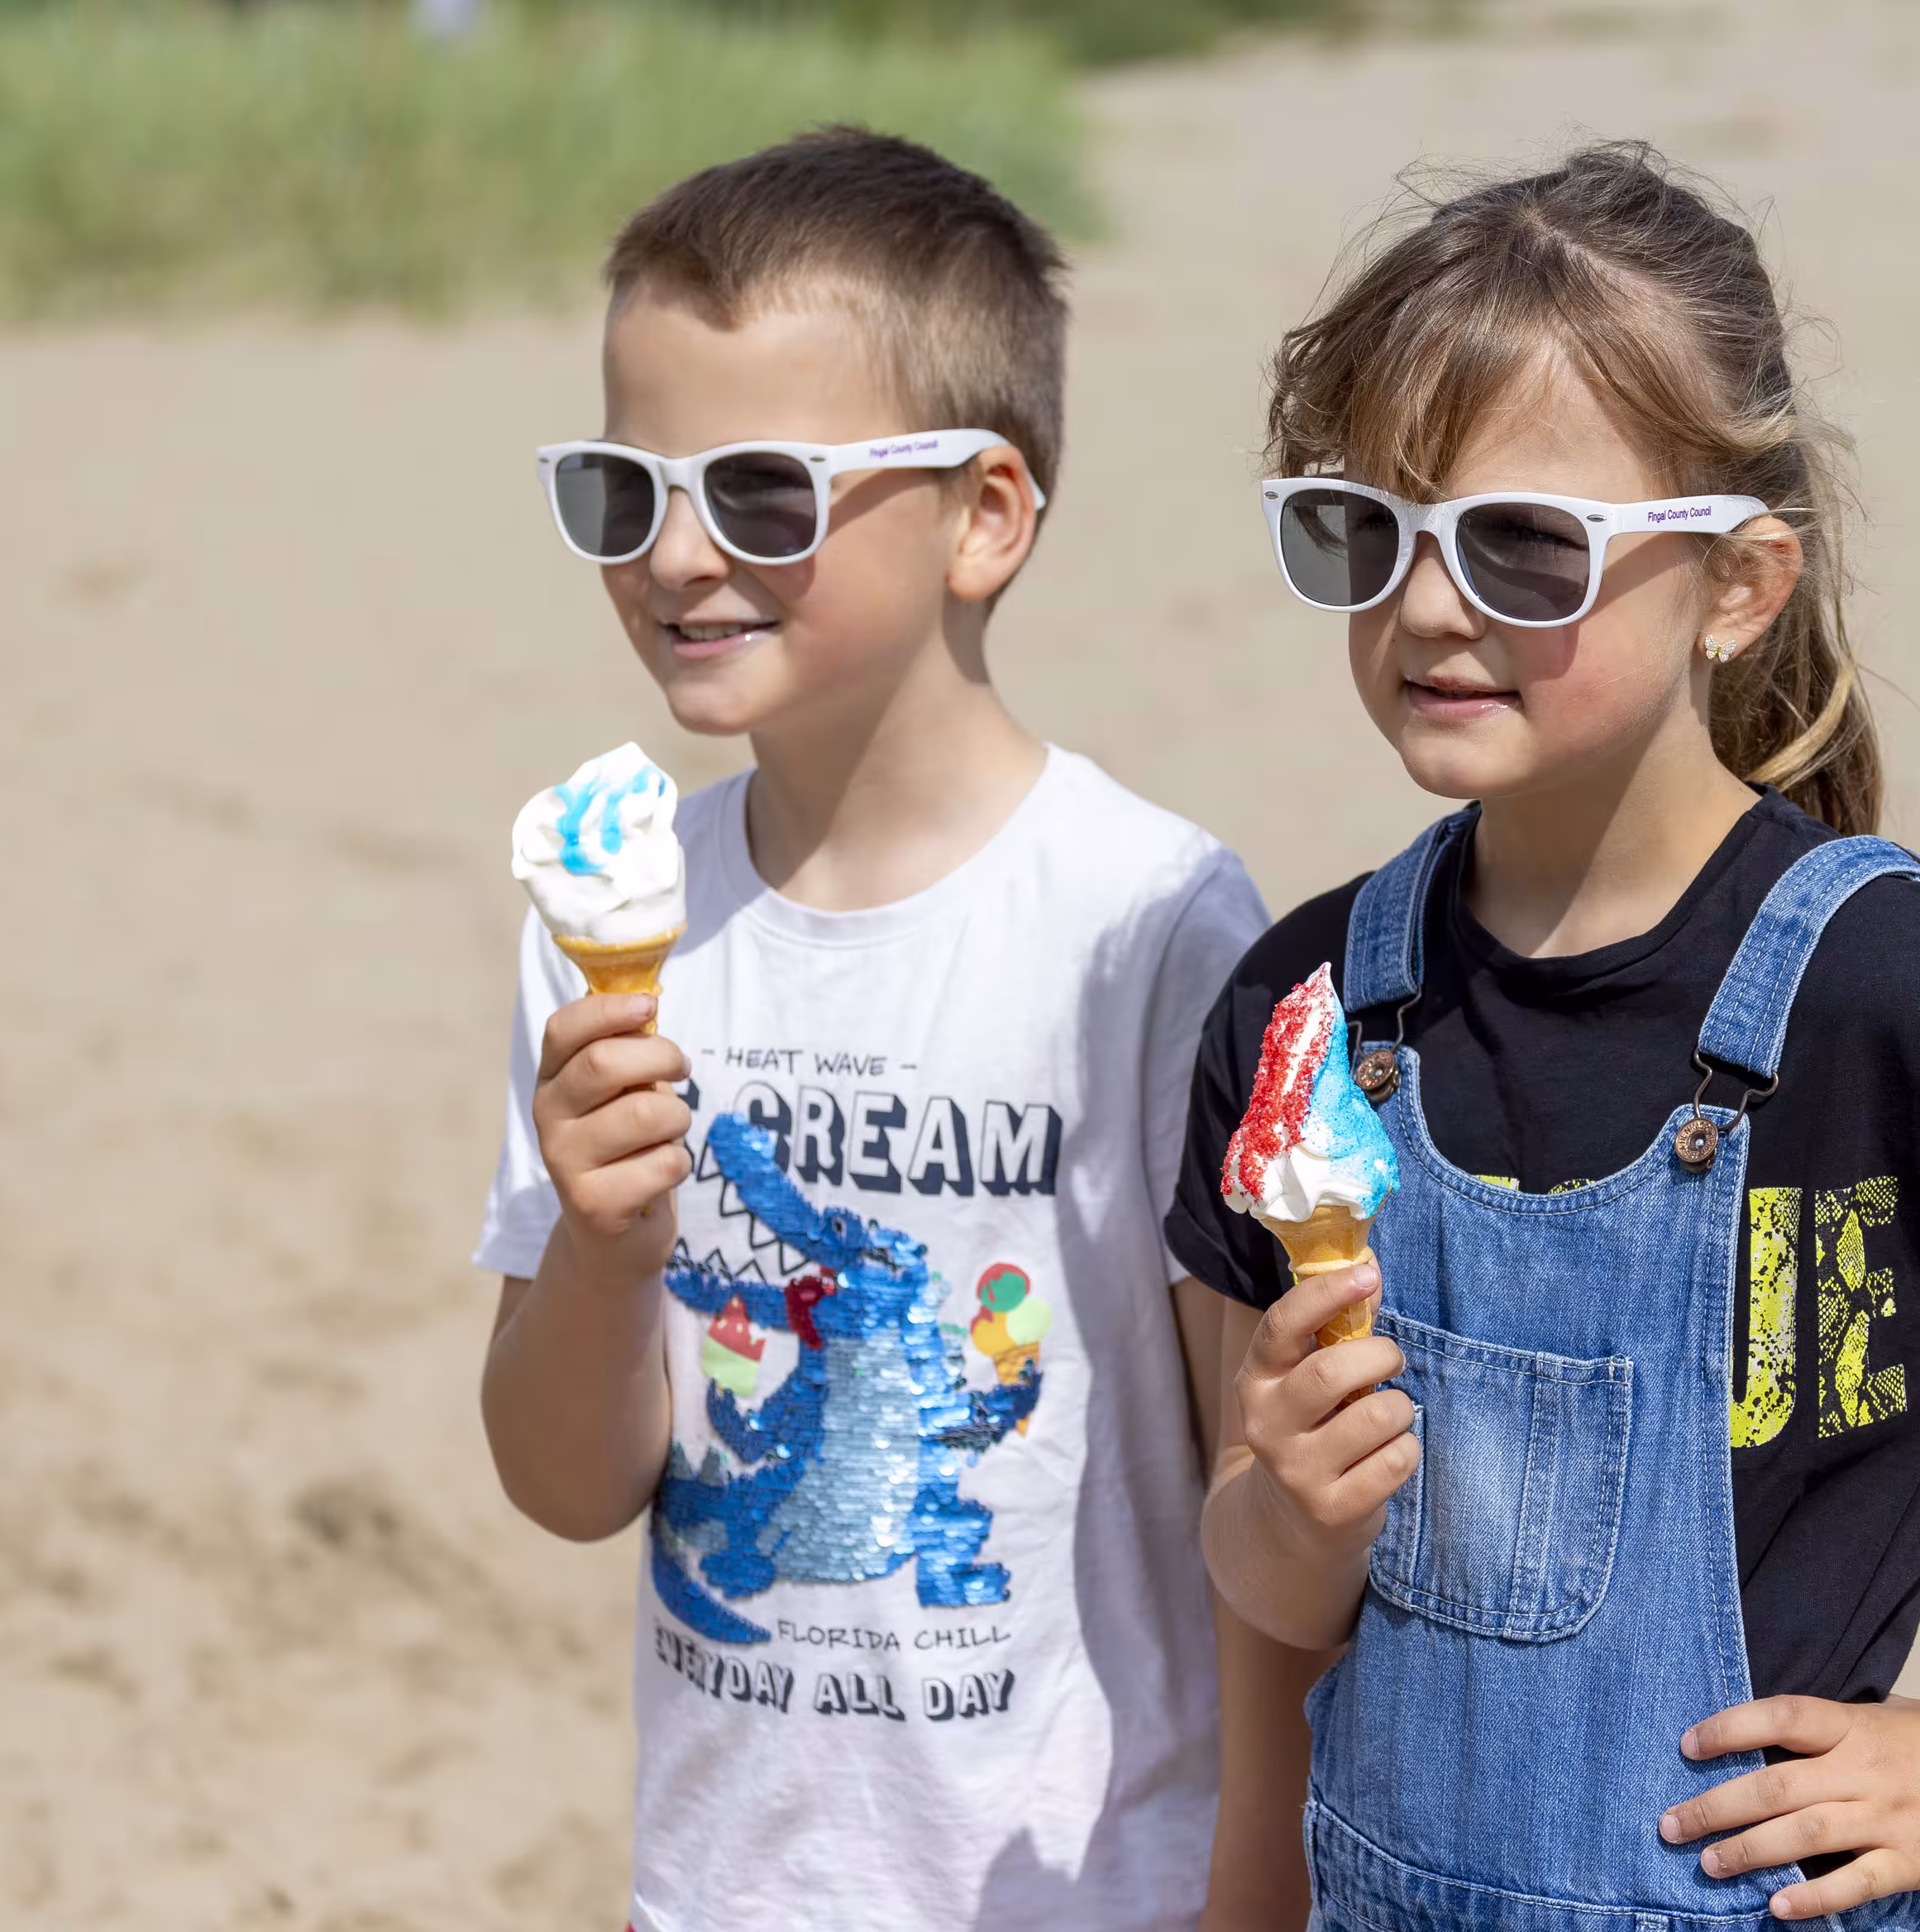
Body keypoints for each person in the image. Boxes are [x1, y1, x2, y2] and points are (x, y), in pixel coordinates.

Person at [1167, 141, 1920, 1930]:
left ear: (1741, 585)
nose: (1430, 606)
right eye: (1363, 531)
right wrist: (1286, 1518)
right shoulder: (1302, 1013)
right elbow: (1261, 1598)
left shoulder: (1880, 996)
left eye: (1525, 545)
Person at [475, 127, 1311, 1932]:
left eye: (767, 493)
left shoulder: (1153, 922)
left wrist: (1258, 1872)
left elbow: (1254, 1491)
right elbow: (563, 1487)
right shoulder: (618, 917)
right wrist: (610, 1262)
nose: (679, 556)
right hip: (720, 1884)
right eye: (627, 492)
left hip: (1096, 1886)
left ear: (985, 514)